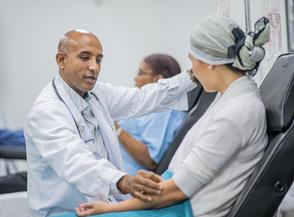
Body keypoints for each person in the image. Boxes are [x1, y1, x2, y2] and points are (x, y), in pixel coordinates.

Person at [76, 15, 270, 217]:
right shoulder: (228, 98)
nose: (191, 69)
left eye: (192, 59)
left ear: (209, 62)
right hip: (169, 198)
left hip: (179, 209)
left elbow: (176, 191)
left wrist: (109, 208)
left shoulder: (237, 112)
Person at [24, 29, 196, 216]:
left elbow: (140, 99)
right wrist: (122, 181)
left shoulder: (97, 94)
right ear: (61, 60)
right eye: (85, 57)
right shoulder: (47, 111)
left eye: (98, 60)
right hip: (66, 212)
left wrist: (191, 77)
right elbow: (77, 162)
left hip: (104, 204)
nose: (94, 67)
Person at [117, 54, 186, 174]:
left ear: (158, 79)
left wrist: (115, 128)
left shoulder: (163, 110)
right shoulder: (146, 107)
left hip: (129, 184)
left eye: (140, 73)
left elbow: (150, 159)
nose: (135, 78)